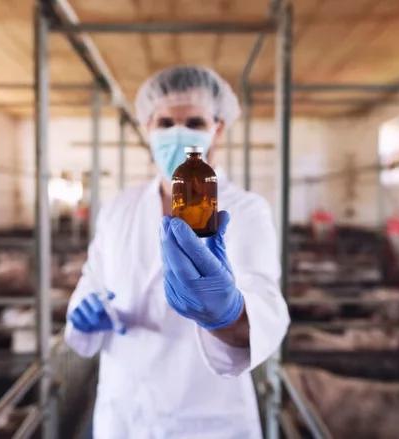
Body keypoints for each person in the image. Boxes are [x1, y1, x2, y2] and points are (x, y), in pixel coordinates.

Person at [64, 65, 290, 439]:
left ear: (218, 129)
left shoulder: (247, 210)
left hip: (206, 418)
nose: (178, 134)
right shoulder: (120, 207)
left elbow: (268, 307)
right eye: (165, 122)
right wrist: (84, 311)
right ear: (148, 128)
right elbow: (95, 278)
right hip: (124, 412)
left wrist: (229, 316)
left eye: (194, 122)